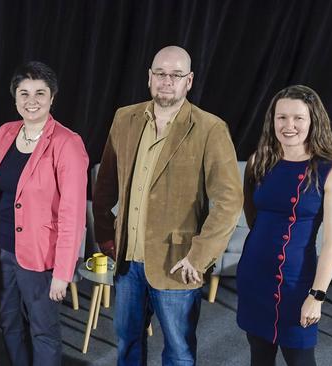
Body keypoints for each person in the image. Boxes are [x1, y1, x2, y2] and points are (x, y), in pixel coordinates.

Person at [93, 45, 243, 365]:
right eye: (160, 73)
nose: (166, 81)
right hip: (127, 260)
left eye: (176, 75)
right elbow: (105, 184)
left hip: (178, 263)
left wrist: (200, 255)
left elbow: (229, 201)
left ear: (188, 81)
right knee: (128, 346)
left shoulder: (210, 128)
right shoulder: (125, 118)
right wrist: (106, 234)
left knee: (178, 350)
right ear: (149, 77)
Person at [0, 61, 88, 365]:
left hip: (41, 258)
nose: (32, 101)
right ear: (14, 97)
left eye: (40, 93)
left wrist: (63, 273)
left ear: (52, 97)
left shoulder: (67, 143)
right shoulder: (5, 133)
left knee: (43, 330)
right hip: (2, 251)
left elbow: (73, 215)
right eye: (24, 93)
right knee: (9, 321)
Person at [236, 85, 332, 366]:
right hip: (254, 277)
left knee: (300, 359)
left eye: (298, 118)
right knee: (259, 357)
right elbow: (254, 218)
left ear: (313, 121)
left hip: (297, 283)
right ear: (272, 120)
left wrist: (317, 295)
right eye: (282, 117)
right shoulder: (258, 161)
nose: (289, 125)